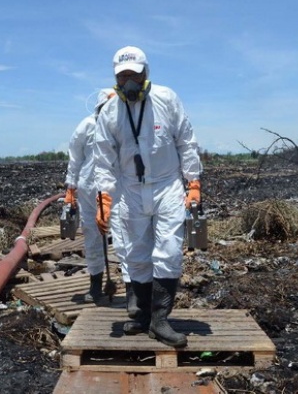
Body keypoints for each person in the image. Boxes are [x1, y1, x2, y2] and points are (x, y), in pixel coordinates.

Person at [94, 46, 202, 347]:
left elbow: (186, 141)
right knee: (135, 253)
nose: (129, 81)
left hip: (167, 185)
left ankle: (160, 320)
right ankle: (141, 317)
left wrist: (193, 182)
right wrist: (104, 198)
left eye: (135, 75)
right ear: (116, 78)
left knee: (168, 252)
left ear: (146, 74)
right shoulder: (110, 113)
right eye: (123, 76)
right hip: (130, 188)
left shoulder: (166, 99)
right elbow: (103, 158)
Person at [64, 88, 116, 303]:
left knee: (125, 235)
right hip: (88, 190)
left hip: (118, 189)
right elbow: (75, 157)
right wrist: (71, 187)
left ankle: (135, 288)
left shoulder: (123, 127)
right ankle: (96, 285)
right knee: (93, 235)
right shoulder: (87, 125)